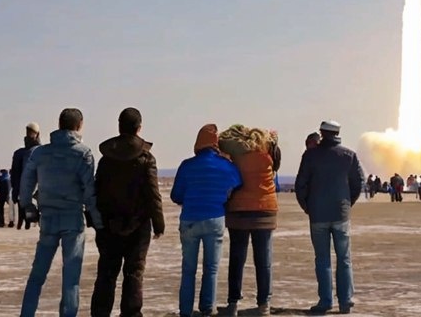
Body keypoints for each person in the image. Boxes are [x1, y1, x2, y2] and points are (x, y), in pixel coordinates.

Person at [19, 108, 103, 317]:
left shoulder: (40, 153)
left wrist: (28, 206)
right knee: (71, 279)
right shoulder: (83, 153)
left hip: (48, 219)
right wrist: (98, 222)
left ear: (59, 124)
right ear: (79, 125)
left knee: (37, 275)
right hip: (72, 220)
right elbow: (89, 192)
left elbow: (26, 183)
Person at [90, 108, 165, 317]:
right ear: (139, 128)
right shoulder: (146, 158)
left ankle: (100, 313)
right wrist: (159, 224)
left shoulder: (107, 158)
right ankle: (131, 314)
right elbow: (153, 194)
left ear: (119, 126)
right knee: (134, 272)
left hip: (108, 224)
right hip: (138, 224)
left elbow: (97, 190)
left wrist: (96, 219)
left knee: (106, 272)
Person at [170, 124, 242, 317]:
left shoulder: (187, 165)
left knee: (188, 269)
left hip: (190, 219)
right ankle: (207, 308)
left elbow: (176, 195)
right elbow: (237, 183)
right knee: (211, 268)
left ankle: (185, 311)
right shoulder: (226, 166)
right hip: (215, 217)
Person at [295, 120, 365, 315]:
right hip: (341, 214)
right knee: (344, 258)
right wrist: (347, 203)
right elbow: (358, 183)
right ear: (337, 133)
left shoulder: (310, 156)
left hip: (318, 215)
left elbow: (301, 184)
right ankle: (345, 301)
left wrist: (307, 206)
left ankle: (325, 301)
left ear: (322, 133)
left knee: (322, 259)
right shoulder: (349, 155)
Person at [218, 125, 281, 316]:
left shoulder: (235, 154)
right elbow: (276, 164)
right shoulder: (268, 152)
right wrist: (274, 141)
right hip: (265, 209)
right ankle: (264, 304)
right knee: (263, 260)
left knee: (237, 258)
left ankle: (233, 303)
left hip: (240, 209)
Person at [12, 122, 42, 229]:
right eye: (28, 132)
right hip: (24, 190)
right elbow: (15, 174)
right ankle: (24, 223)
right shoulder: (20, 153)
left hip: (38, 191)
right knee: (26, 214)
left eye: (32, 132)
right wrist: (15, 191)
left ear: (37, 134)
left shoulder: (42, 151)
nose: (30, 134)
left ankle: (28, 223)